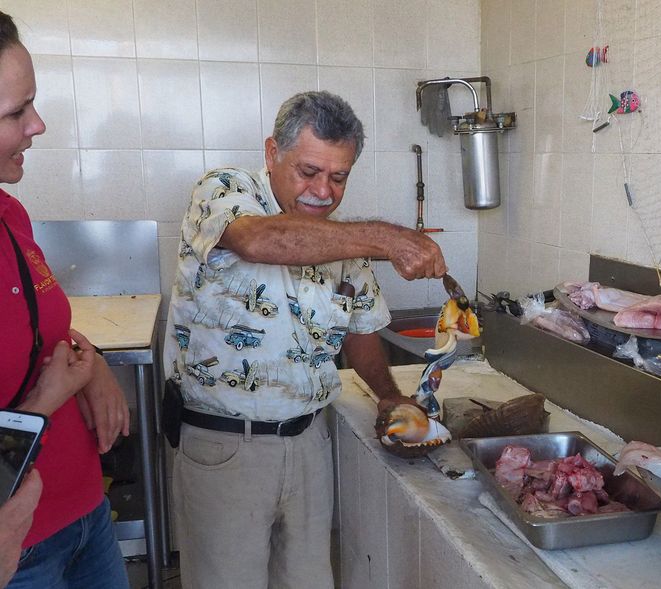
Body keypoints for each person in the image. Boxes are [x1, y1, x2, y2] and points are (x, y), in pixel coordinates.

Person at [165, 90, 447, 588]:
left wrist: (389, 395)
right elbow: (260, 241)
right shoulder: (225, 192)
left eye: (339, 177)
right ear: (273, 153)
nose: (324, 191)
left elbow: (360, 334)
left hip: (310, 444)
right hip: (227, 447)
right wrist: (388, 238)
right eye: (308, 172)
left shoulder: (344, 242)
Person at [0, 11, 130, 589]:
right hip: (17, 545)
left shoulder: (10, 215)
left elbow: (37, 332)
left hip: (81, 511)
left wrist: (91, 360)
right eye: (16, 113)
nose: (39, 125)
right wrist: (48, 399)